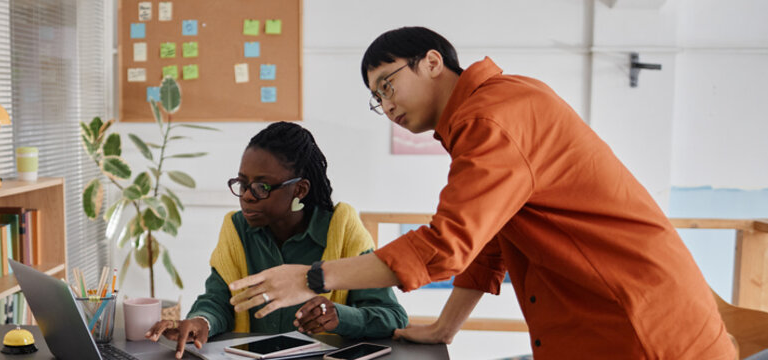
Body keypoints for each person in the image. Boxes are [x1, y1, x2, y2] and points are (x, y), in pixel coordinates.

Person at [226, 27, 735, 358]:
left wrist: (312, 275)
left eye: (387, 85)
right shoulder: (491, 111)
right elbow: (488, 241)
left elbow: (447, 245)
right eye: (375, 98)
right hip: (626, 321)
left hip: (644, 331)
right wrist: (445, 328)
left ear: (431, 61)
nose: (386, 106)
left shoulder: (492, 118)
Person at [144, 122, 408, 359]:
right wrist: (202, 321)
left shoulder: (342, 230)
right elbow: (219, 299)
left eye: (262, 187)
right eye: (242, 183)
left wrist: (340, 317)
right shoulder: (236, 229)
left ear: (299, 190)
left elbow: (392, 316)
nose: (246, 196)